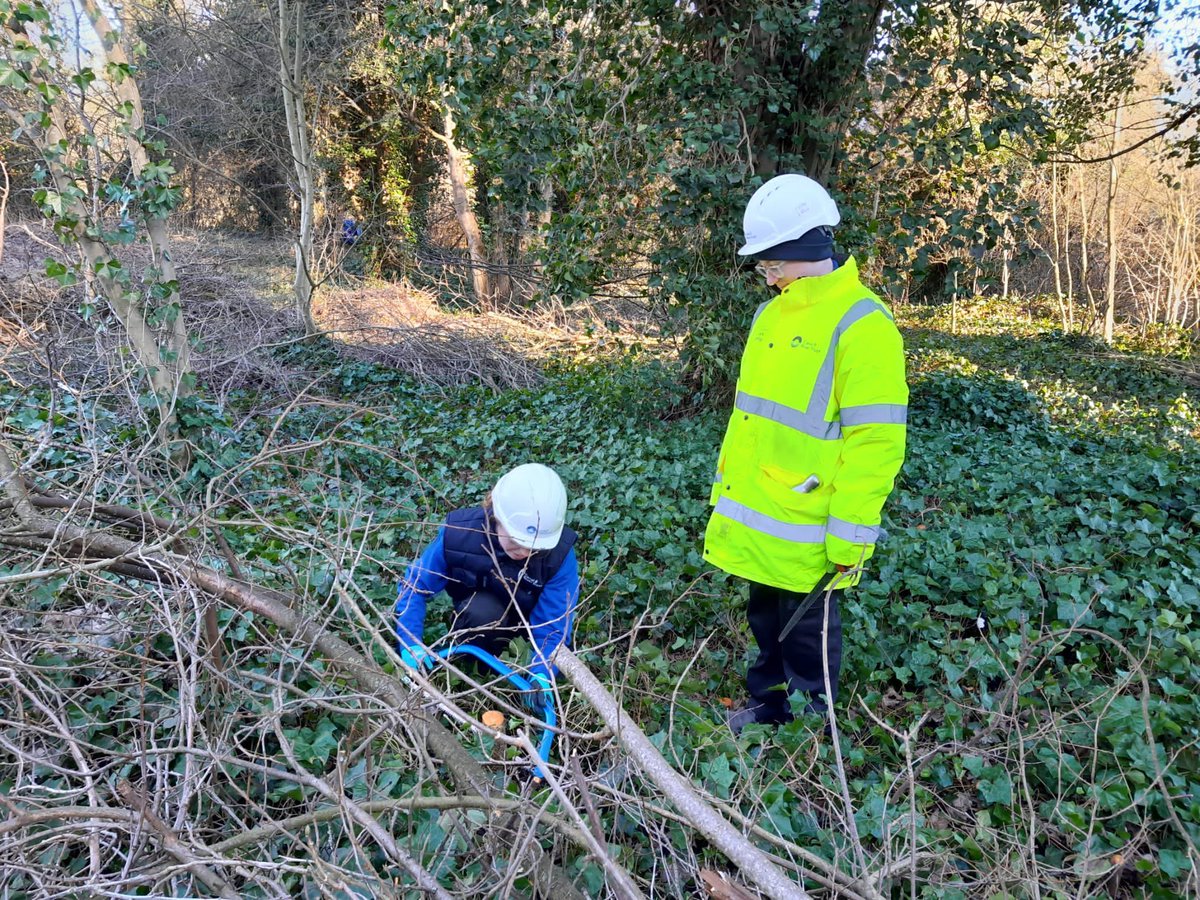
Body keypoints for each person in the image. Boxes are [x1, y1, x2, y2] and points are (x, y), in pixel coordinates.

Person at [704, 174, 908, 733]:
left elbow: (877, 441)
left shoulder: (864, 325)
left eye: (773, 264)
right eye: (764, 267)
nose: (768, 277)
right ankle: (768, 706)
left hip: (812, 521)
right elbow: (754, 418)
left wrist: (852, 531)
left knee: (807, 628)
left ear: (804, 250)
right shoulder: (770, 317)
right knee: (765, 620)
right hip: (760, 509)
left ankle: (816, 727)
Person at [395, 463, 578, 692]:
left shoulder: (559, 557)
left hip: (527, 626)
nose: (524, 552)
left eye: (534, 548)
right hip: (479, 616)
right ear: (497, 516)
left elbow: (554, 624)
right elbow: (415, 585)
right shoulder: (461, 534)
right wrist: (410, 643)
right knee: (482, 613)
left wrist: (542, 672)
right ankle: (473, 663)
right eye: (515, 541)